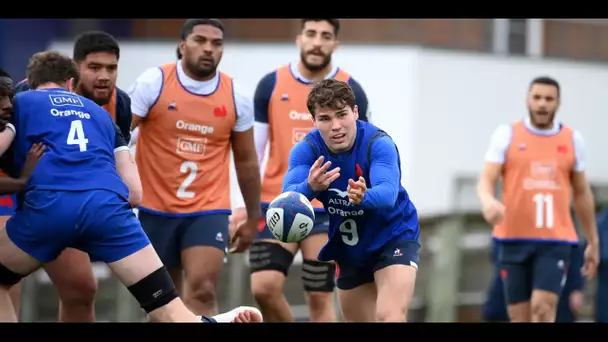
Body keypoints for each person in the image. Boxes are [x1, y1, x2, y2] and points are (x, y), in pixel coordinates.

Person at [0, 50, 262, 323]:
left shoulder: (19, 104)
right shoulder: (101, 116)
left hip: (50, 207)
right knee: (168, 309)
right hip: (109, 211)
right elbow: (135, 193)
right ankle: (205, 321)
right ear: (71, 83)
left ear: (30, 82)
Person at [229, 18, 371, 323]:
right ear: (299, 39)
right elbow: (253, 152)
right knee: (264, 288)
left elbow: (364, 149)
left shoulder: (352, 88)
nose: (317, 42)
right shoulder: (272, 84)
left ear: (336, 44)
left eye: (325, 36)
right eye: (311, 34)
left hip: (326, 208)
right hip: (276, 203)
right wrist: (243, 206)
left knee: (319, 297)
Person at [127, 18, 261, 316]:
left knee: (203, 289)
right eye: (200, 40)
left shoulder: (236, 94)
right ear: (182, 44)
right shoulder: (154, 82)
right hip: (155, 207)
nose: (208, 49)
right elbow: (119, 137)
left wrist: (253, 216)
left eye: (216, 43)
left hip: (207, 209)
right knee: (162, 300)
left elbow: (247, 160)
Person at [12, 31, 133, 322]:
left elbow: (116, 165)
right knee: (8, 281)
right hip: (18, 199)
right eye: (94, 68)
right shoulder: (26, 94)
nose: (103, 76)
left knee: (80, 289)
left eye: (111, 68)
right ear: (73, 70)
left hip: (71, 203)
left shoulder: (120, 106)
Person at [281, 78, 419, 322]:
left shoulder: (378, 143)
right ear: (313, 121)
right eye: (325, 118)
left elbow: (387, 194)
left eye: (342, 114)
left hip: (394, 235)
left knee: (389, 316)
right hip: (350, 246)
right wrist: (310, 187)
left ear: (355, 112)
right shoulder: (306, 151)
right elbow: (288, 199)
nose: (336, 126)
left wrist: (363, 196)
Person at [476, 76, 599, 323]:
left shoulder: (572, 140)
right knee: (518, 316)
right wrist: (488, 201)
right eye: (537, 98)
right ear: (528, 100)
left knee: (543, 310)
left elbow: (582, 193)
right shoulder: (507, 134)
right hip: (512, 238)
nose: (542, 104)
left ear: (558, 103)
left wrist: (593, 241)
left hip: (555, 240)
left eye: (549, 99)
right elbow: (486, 179)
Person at [482, 240, 586, 322]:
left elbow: (572, 251)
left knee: (544, 309)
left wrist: (576, 287)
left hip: (550, 270)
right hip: (516, 266)